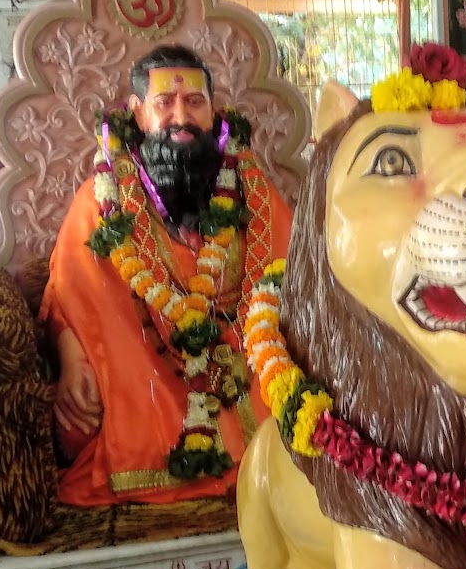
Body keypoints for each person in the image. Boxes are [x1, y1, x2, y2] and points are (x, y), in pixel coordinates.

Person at [41, 45, 292, 506]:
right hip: (150, 362)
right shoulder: (102, 199)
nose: (181, 117)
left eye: (194, 102)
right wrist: (72, 353)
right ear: (137, 114)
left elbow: (287, 271)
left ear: (214, 110)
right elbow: (72, 287)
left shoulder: (251, 185)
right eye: (164, 104)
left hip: (246, 353)